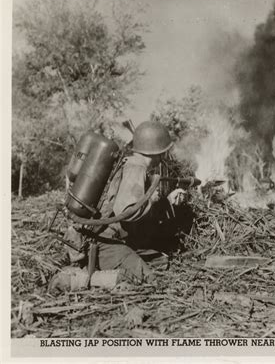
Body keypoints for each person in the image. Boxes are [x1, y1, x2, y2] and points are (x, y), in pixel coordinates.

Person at [51, 121, 192, 292]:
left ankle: (102, 264)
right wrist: (152, 200)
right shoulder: (136, 168)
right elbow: (126, 212)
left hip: (104, 236)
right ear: (158, 152)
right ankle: (73, 280)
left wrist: (167, 202)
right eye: (163, 152)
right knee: (146, 278)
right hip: (102, 242)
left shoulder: (129, 162)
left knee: (160, 260)